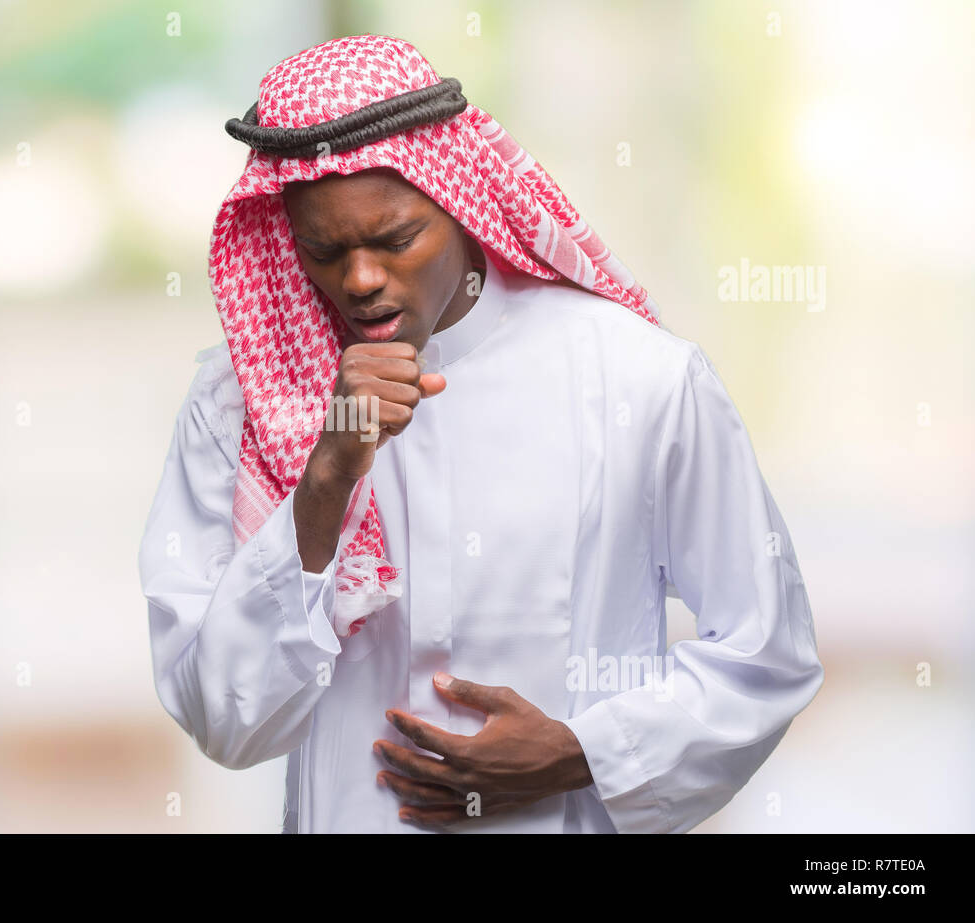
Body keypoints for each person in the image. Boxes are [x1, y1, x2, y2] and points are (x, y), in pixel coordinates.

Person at [138, 34, 823, 833]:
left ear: (461, 202)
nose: (359, 279)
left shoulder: (637, 379)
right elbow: (223, 719)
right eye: (325, 250)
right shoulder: (238, 404)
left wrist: (584, 751)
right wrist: (325, 477)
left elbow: (768, 652)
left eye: (395, 240)